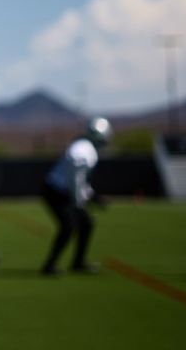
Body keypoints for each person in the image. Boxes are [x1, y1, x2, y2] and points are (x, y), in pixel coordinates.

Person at [40, 117, 111, 276]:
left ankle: (78, 262)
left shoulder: (83, 148)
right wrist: (79, 202)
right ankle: (49, 266)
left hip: (63, 191)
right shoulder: (84, 152)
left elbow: (79, 180)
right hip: (56, 192)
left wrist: (93, 197)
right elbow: (76, 180)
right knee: (68, 226)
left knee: (86, 223)